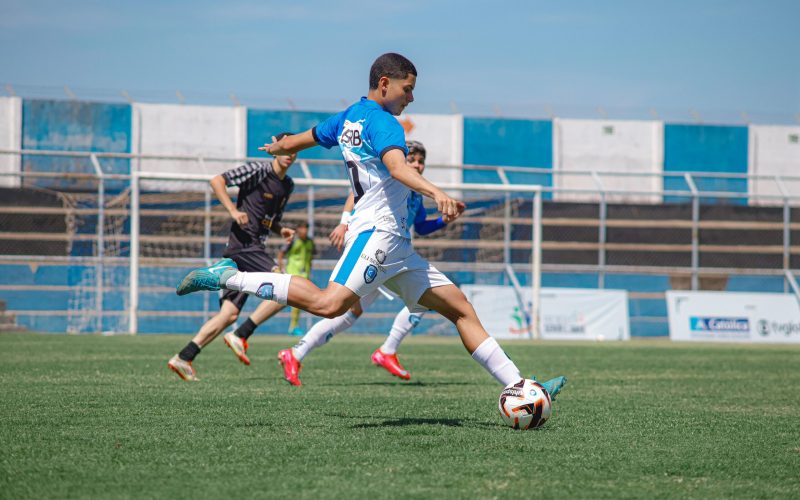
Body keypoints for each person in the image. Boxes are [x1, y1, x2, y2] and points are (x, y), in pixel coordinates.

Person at [176, 53, 567, 401]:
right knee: (329, 304)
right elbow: (397, 168)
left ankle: (519, 386)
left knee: (461, 309)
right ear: (385, 84)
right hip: (377, 234)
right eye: (407, 89)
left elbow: (306, 138)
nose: (410, 98)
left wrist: (281, 146)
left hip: (398, 247)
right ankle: (230, 276)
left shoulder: (348, 117)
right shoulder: (385, 123)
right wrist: (437, 192)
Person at [285, 140, 446, 384]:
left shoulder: (415, 193)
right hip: (376, 249)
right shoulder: (389, 178)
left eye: (421, 161)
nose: (417, 165)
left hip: (391, 255)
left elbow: (421, 226)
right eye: (411, 160)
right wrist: (343, 222)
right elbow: (357, 191)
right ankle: (386, 350)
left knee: (348, 312)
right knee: (423, 297)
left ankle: (297, 353)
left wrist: (445, 220)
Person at [167, 132, 297, 381]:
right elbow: (217, 181)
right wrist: (233, 211)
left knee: (229, 314)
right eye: (285, 148)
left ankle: (184, 357)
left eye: (294, 150)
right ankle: (241, 334)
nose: (289, 154)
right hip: (244, 246)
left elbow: (268, 219)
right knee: (285, 289)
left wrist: (280, 229)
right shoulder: (257, 170)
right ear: (275, 147)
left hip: (251, 249)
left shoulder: (287, 185)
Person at [277, 221, 315, 336]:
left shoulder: (310, 242)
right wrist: (281, 269)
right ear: (298, 230)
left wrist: (309, 270)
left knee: (298, 303)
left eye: (306, 228)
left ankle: (294, 326)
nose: (304, 230)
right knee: (291, 301)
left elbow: (310, 257)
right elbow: (281, 254)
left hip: (305, 276)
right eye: (302, 228)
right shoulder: (293, 241)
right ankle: (293, 327)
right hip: (292, 275)